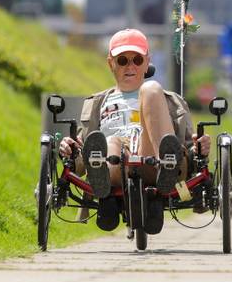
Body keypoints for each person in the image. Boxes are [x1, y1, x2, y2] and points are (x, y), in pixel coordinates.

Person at [58, 28, 210, 234]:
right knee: (110, 142)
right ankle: (104, 186)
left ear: (147, 62)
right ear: (110, 63)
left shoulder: (168, 100)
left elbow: (191, 148)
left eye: (137, 60)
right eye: (122, 61)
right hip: (114, 157)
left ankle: (165, 166)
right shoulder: (97, 103)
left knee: (151, 88)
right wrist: (69, 148)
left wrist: (201, 146)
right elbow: (82, 151)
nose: (130, 66)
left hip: (152, 156)